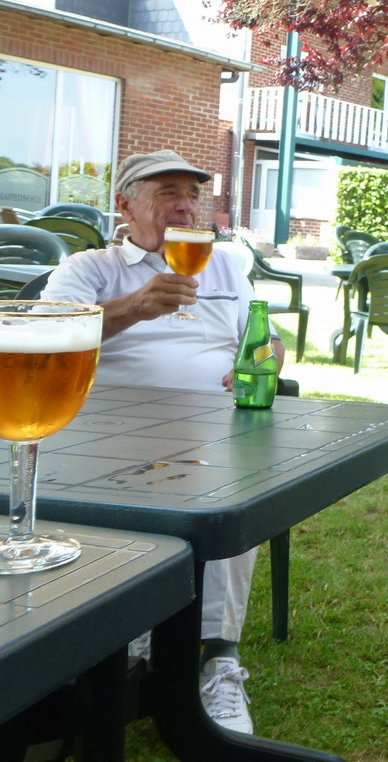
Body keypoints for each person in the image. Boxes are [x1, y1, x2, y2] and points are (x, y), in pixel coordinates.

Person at [42, 150, 284, 736]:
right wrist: (133, 306)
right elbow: (44, 337)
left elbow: (270, 343)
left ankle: (216, 658)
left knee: (232, 485)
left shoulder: (223, 265)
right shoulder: (89, 268)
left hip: (214, 427)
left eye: (192, 195)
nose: (184, 205)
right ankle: (128, 636)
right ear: (125, 203)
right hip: (107, 433)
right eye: (167, 191)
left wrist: (263, 360)